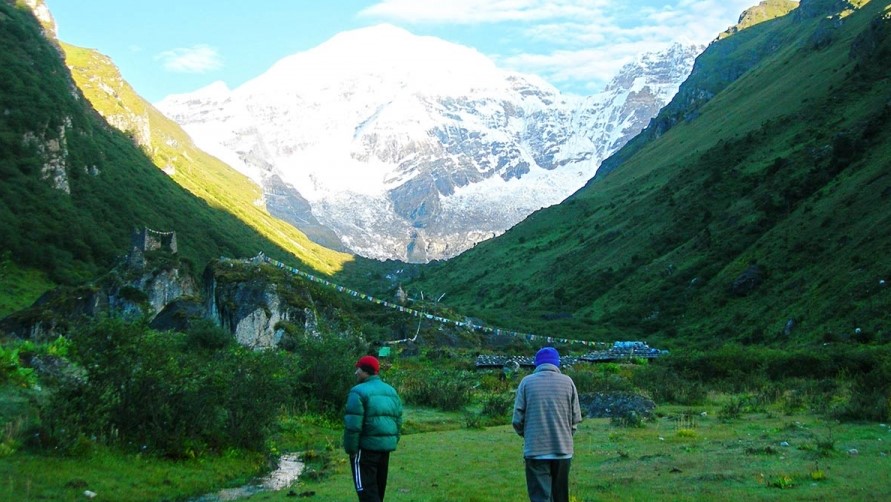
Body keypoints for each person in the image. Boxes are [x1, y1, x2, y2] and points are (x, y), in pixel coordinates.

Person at [512, 347, 582, 502]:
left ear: (537, 364)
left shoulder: (526, 382)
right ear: (557, 363)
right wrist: (566, 436)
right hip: (563, 451)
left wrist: (529, 435)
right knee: (560, 497)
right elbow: (575, 418)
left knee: (540, 498)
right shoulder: (568, 382)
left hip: (535, 450)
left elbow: (517, 419)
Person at [344, 355, 403, 502]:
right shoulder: (391, 391)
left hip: (365, 450)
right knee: (378, 489)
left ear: (365, 371)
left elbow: (353, 425)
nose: (356, 372)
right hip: (384, 451)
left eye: (358, 368)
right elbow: (398, 421)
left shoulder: (357, 392)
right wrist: (392, 441)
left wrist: (351, 450)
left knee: (366, 492)